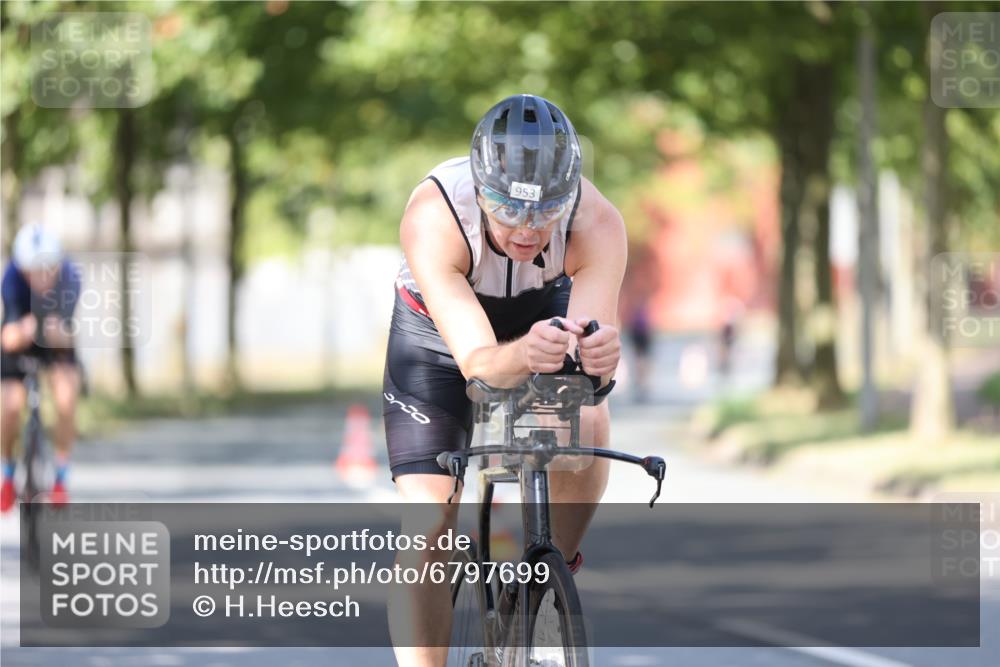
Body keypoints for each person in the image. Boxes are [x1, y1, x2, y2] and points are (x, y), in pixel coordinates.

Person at [382, 94, 626, 666]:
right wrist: (525, 355)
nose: (526, 229)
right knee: (428, 522)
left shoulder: (596, 222)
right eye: (507, 209)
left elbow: (588, 369)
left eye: (545, 213)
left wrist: (598, 357)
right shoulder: (433, 215)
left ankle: (546, 583)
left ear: (567, 199)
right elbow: (479, 364)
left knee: (588, 418)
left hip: (540, 314)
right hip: (439, 340)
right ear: (479, 188)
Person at [1, 223, 82, 512]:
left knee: (66, 398)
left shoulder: (70, 276)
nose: (40, 278)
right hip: (21, 339)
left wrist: (53, 330)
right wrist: (25, 329)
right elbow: (8, 338)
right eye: (32, 271)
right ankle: (8, 473)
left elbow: (68, 334)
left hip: (55, 342)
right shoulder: (10, 279)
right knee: (9, 407)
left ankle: (60, 476)